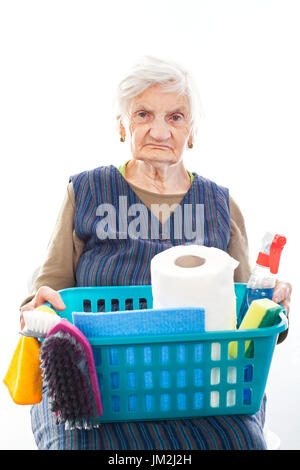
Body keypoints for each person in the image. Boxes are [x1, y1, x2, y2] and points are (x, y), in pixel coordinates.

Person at [20, 56, 292, 450]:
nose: (160, 130)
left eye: (176, 117)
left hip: (198, 383)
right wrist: (37, 306)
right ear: (121, 126)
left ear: (192, 131)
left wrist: (273, 301)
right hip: (99, 383)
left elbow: (246, 315)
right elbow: (48, 288)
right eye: (143, 114)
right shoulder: (85, 192)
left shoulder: (221, 205)